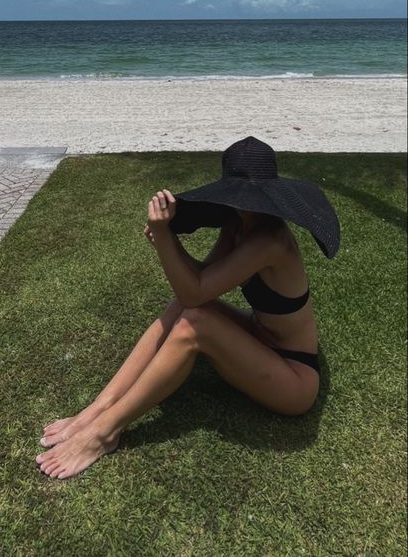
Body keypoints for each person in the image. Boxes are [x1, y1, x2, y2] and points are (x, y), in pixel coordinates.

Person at [36, 136, 340, 480]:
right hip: (261, 339)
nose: (249, 204)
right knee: (181, 307)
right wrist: (167, 242)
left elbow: (196, 293)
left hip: (295, 378)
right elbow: (201, 282)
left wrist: (165, 238)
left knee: (192, 325)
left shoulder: (270, 240)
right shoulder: (237, 226)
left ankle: (104, 432)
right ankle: (96, 410)